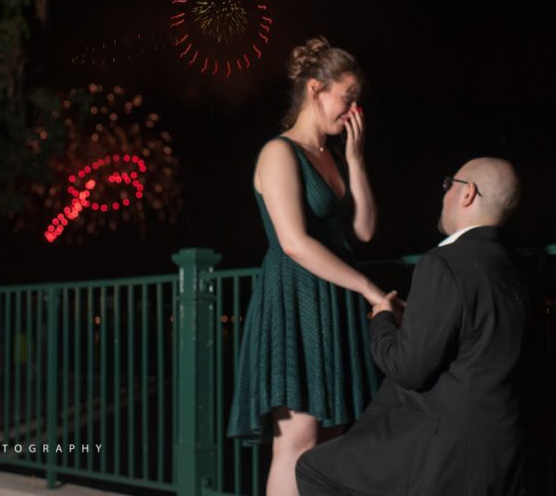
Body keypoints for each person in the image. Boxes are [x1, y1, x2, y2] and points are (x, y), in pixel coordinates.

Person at [296, 157, 530, 496]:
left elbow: (408, 369)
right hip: (506, 445)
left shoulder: (443, 264)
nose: (444, 193)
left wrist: (382, 318)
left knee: (314, 469)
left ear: (468, 194)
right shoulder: (519, 268)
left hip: (444, 447)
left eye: (449, 184)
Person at [226, 37, 389, 496]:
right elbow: (294, 243)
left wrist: (355, 160)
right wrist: (370, 290)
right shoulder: (278, 152)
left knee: (334, 438)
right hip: (293, 300)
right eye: (347, 96)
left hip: (331, 299)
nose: (354, 109)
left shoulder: (333, 157)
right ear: (316, 89)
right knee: (296, 443)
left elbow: (364, 230)